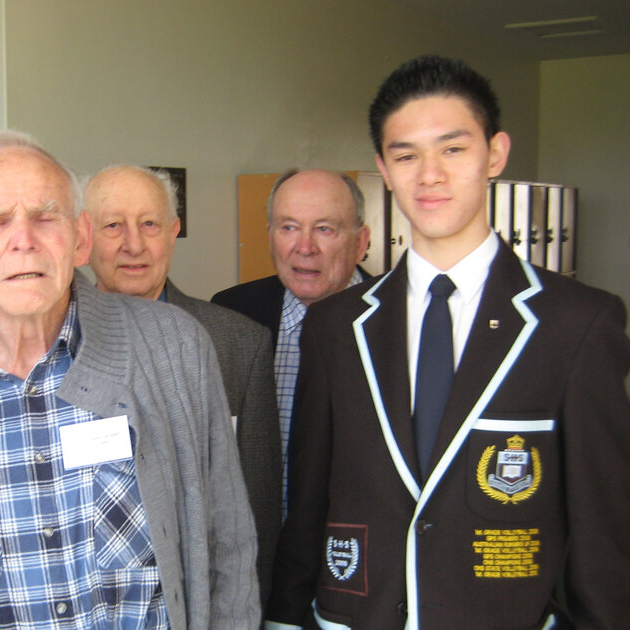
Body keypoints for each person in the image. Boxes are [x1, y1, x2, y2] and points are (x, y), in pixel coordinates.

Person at [266, 54, 630, 630]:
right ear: (383, 169)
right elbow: (309, 502)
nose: (428, 174)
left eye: (453, 149)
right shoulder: (336, 327)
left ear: (496, 154)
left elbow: (603, 529)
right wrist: (285, 620)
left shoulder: (577, 324)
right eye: (406, 155)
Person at [0, 131, 259, 629]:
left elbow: (228, 541)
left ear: (81, 238)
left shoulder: (175, 346)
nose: (23, 239)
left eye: (45, 217)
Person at [84, 164, 281, 604]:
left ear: (173, 231)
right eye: (113, 225)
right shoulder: (51, 348)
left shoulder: (239, 343)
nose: (133, 244)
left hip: (201, 603)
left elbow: (258, 509)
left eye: (149, 224)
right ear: (83, 237)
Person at [212, 169, 370, 511]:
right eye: (289, 227)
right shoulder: (231, 313)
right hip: (256, 550)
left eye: (325, 229)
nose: (304, 247)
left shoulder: (397, 321)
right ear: (270, 235)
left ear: (360, 242)